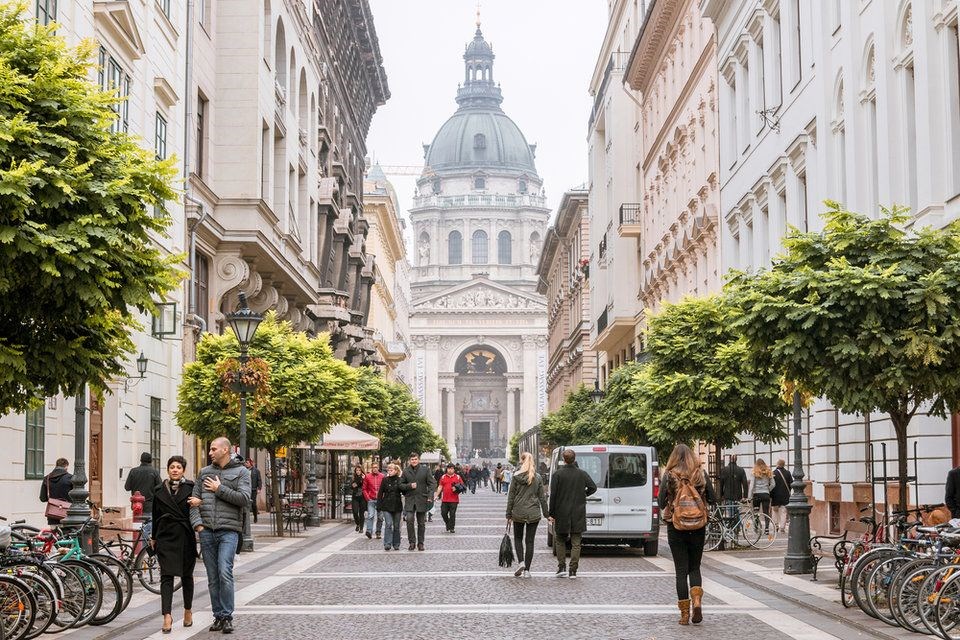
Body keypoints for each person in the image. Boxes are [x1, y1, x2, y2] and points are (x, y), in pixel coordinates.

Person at [188, 437, 251, 634]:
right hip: (207, 531)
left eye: (213, 449)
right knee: (212, 577)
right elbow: (193, 501)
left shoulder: (241, 472)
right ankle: (218, 616)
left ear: (225, 450)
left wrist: (219, 489)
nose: (210, 452)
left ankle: (227, 616)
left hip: (229, 530)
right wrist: (198, 525)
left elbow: (244, 499)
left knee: (224, 571)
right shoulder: (204, 472)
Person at [659, 443, 717, 625]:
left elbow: (661, 502)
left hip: (676, 527)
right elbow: (713, 498)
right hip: (698, 526)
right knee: (694, 567)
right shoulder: (700, 473)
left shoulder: (670, 475)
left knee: (681, 571)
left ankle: (684, 615)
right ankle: (697, 601)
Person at [151, 456, 199, 633]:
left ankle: (188, 610)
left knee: (187, 576)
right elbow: (155, 515)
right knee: (166, 576)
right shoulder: (159, 490)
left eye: (179, 467)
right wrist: (154, 537)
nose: (175, 470)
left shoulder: (191, 488)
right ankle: (167, 616)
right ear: (168, 469)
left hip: (185, 536)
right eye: (172, 467)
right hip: (165, 536)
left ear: (183, 470)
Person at [548, 449, 597, 579]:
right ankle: (573, 570)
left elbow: (553, 495)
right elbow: (593, 487)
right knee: (576, 542)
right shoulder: (582, 473)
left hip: (561, 511)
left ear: (563, 459)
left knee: (560, 540)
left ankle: (561, 567)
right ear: (574, 459)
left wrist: (551, 513)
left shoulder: (557, 474)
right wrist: (583, 494)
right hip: (578, 511)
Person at [506, 452, 548, 578]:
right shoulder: (538, 477)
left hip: (518, 511)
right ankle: (527, 571)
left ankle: (521, 562)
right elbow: (542, 498)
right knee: (530, 541)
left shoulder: (516, 476)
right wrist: (547, 514)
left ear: (521, 461)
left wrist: (508, 514)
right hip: (533, 512)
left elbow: (511, 496)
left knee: (518, 538)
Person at [399, 452, 436, 551]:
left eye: (415, 459)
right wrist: (409, 486)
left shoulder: (425, 470)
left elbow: (432, 484)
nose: (414, 461)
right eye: (412, 459)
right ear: (409, 461)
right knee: (409, 520)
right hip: (410, 500)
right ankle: (412, 542)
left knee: (421, 523)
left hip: (422, 499)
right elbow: (400, 485)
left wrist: (430, 496)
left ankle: (420, 543)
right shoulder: (406, 471)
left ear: (418, 460)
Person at [125, 452, 163, 518]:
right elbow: (160, 488)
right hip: (150, 506)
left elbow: (127, 487)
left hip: (136, 506)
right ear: (151, 460)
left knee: (138, 523)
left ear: (141, 460)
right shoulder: (154, 472)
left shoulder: (133, 471)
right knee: (148, 523)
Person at [377, 463, 404, 551]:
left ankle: (396, 543)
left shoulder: (400, 480)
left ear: (396, 471)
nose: (389, 471)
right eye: (388, 470)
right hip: (386, 505)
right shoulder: (385, 480)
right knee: (388, 524)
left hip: (397, 505)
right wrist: (379, 505)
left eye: (391, 470)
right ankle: (387, 543)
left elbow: (404, 491)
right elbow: (380, 493)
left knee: (396, 526)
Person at [718, 455, 749, 527]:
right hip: (738, 495)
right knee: (737, 511)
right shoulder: (741, 470)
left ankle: (733, 526)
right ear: (736, 460)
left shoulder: (724, 470)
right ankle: (737, 526)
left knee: (731, 512)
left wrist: (721, 494)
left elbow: (721, 484)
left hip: (727, 494)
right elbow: (745, 483)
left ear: (729, 459)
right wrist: (745, 496)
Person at [39, 458, 72, 526]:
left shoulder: (47, 478)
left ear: (56, 465)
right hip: (67, 515)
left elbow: (43, 498)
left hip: (52, 516)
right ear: (66, 466)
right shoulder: (70, 478)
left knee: (55, 532)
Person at [435, 463, 464, 533]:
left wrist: (457, 488)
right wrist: (436, 495)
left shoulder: (457, 477)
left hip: (454, 500)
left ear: (454, 469)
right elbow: (440, 486)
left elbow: (462, 486)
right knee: (443, 513)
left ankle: (452, 528)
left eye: (451, 468)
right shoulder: (443, 477)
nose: (450, 470)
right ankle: (448, 523)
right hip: (445, 499)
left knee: (452, 514)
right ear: (447, 469)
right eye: (449, 468)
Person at [750, 458, 774, 534]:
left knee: (756, 512)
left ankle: (756, 528)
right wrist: (768, 490)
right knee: (766, 512)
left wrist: (749, 496)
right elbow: (773, 484)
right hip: (765, 494)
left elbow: (751, 486)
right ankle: (766, 529)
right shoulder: (768, 471)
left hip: (756, 495)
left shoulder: (754, 472)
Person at [362, 462, 384, 540]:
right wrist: (368, 498)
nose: (375, 469)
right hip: (371, 499)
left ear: (378, 468)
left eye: (376, 467)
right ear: (371, 468)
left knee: (380, 517)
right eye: (373, 467)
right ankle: (369, 531)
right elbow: (364, 489)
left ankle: (378, 532)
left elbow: (385, 488)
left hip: (380, 500)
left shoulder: (382, 476)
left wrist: (383, 497)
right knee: (370, 516)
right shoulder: (367, 477)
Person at [771, 459, 792, 532]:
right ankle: (782, 528)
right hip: (785, 495)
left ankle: (775, 525)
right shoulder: (788, 473)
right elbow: (791, 484)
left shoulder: (773, 473)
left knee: (775, 511)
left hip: (775, 495)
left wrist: (771, 495)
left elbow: (771, 485)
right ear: (784, 465)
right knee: (783, 512)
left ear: (777, 464)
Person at [350, 465, 366, 533]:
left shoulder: (365, 478)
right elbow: (352, 486)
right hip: (355, 497)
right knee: (355, 512)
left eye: (359, 470)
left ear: (362, 471)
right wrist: (360, 481)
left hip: (363, 497)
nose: (358, 471)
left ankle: (361, 528)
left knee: (361, 513)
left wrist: (363, 480)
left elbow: (365, 485)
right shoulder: (353, 478)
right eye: (357, 470)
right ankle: (358, 523)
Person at [245, 459, 262, 524]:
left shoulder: (256, 471)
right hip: (246, 489)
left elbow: (259, 480)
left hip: (253, 489)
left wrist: (259, 488)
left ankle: (255, 516)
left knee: (253, 504)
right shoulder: (244, 470)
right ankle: (245, 518)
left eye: (247, 463)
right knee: (245, 503)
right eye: (246, 463)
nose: (246, 464)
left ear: (251, 463)